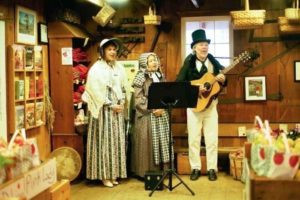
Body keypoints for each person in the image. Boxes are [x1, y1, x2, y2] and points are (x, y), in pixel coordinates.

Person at [176, 29, 226, 181]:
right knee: (194, 138)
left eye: (206, 44)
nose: (204, 47)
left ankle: (212, 168)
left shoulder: (213, 61)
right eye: (201, 45)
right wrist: (197, 88)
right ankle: (195, 168)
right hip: (194, 106)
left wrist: (224, 79)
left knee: (212, 139)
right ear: (194, 48)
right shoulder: (188, 62)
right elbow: (180, 83)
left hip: (211, 106)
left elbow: (222, 80)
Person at [82, 38, 129, 188]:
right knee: (105, 141)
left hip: (117, 110)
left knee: (116, 141)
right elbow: (95, 90)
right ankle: (104, 175)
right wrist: (110, 104)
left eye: (114, 49)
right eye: (109, 49)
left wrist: (121, 102)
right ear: (102, 52)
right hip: (103, 111)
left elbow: (124, 86)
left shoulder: (119, 68)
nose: (113, 52)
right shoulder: (96, 69)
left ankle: (114, 173)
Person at [131, 52, 172, 179]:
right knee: (148, 144)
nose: (154, 62)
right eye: (151, 60)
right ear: (144, 63)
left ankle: (163, 171)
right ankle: (147, 173)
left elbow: (166, 93)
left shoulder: (160, 76)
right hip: (147, 115)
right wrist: (154, 108)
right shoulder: (140, 77)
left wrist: (163, 106)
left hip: (161, 113)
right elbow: (138, 99)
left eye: (155, 60)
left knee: (163, 143)